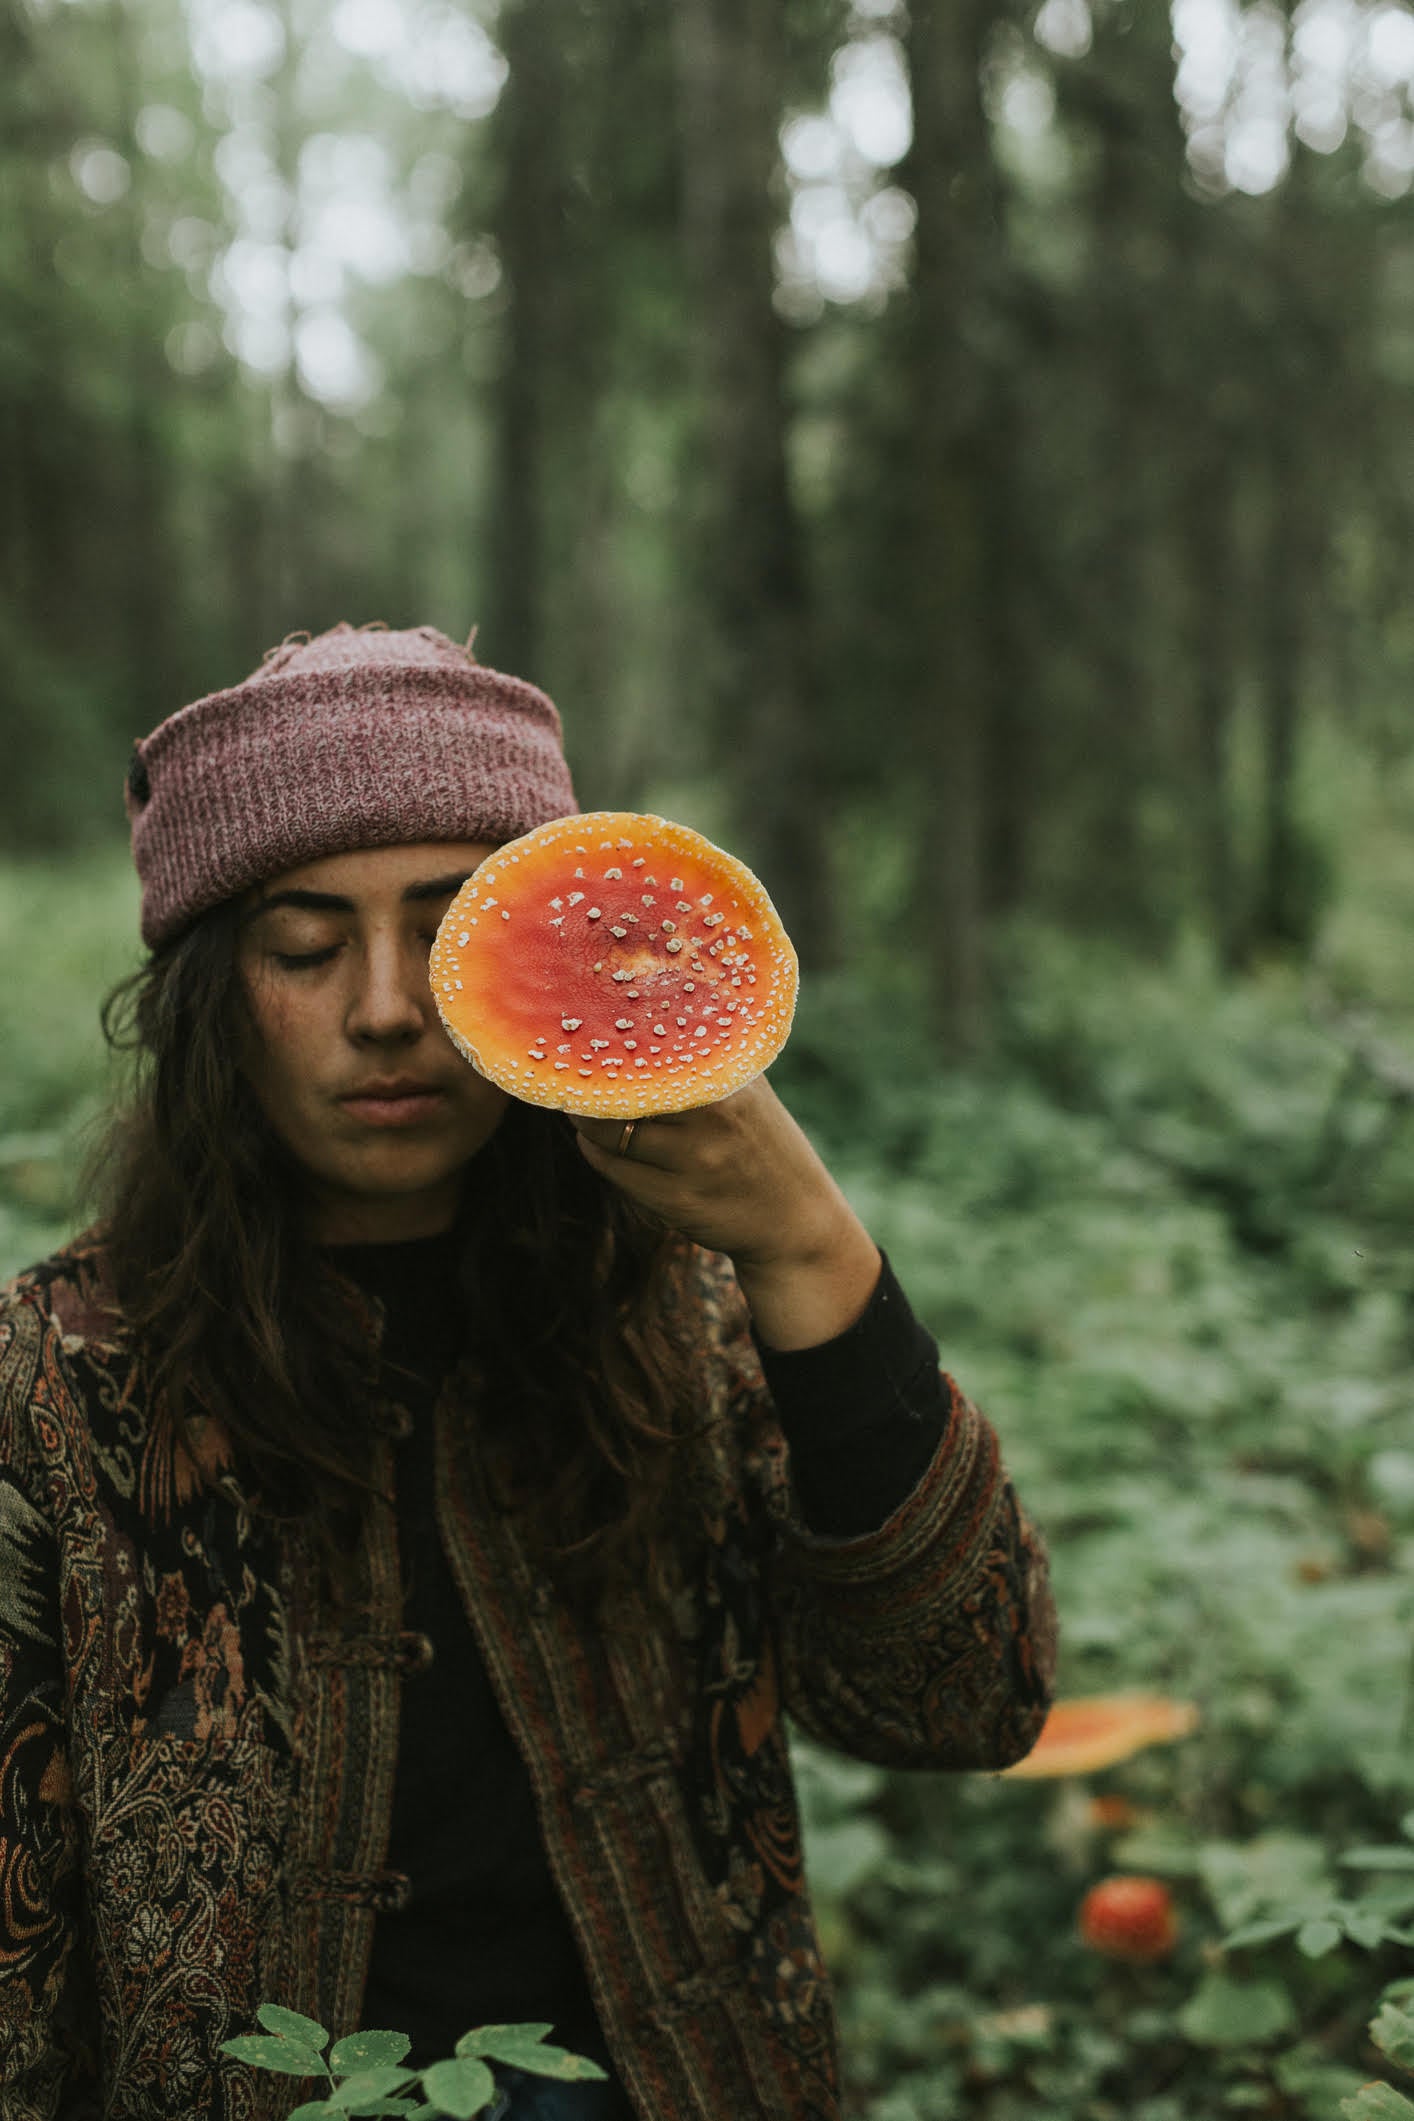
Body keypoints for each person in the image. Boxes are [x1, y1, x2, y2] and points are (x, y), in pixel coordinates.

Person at [0, 624, 1056, 2121]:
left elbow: (963, 1701)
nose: (383, 1007)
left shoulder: (685, 1318)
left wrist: (813, 1255)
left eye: (444, 939)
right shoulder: (53, 1377)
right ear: (209, 1000)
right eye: (304, 946)